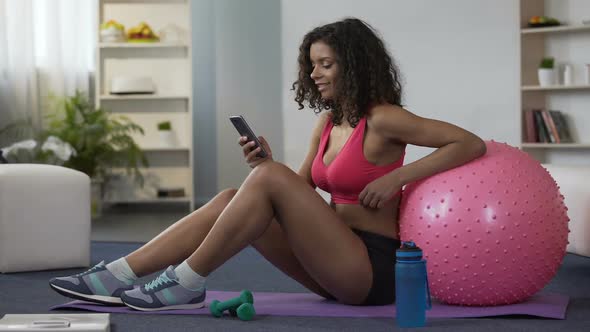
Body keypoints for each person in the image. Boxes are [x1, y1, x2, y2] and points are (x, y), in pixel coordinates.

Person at [49, 17, 486, 310]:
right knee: (229, 197)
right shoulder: (328, 121)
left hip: (370, 270)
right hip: (329, 257)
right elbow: (297, 193)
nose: (314, 74)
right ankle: (116, 274)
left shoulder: (385, 117)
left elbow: (468, 144)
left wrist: (401, 177)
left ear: (353, 66)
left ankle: (186, 280)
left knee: (264, 180)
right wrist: (267, 166)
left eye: (325, 64)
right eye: (311, 64)